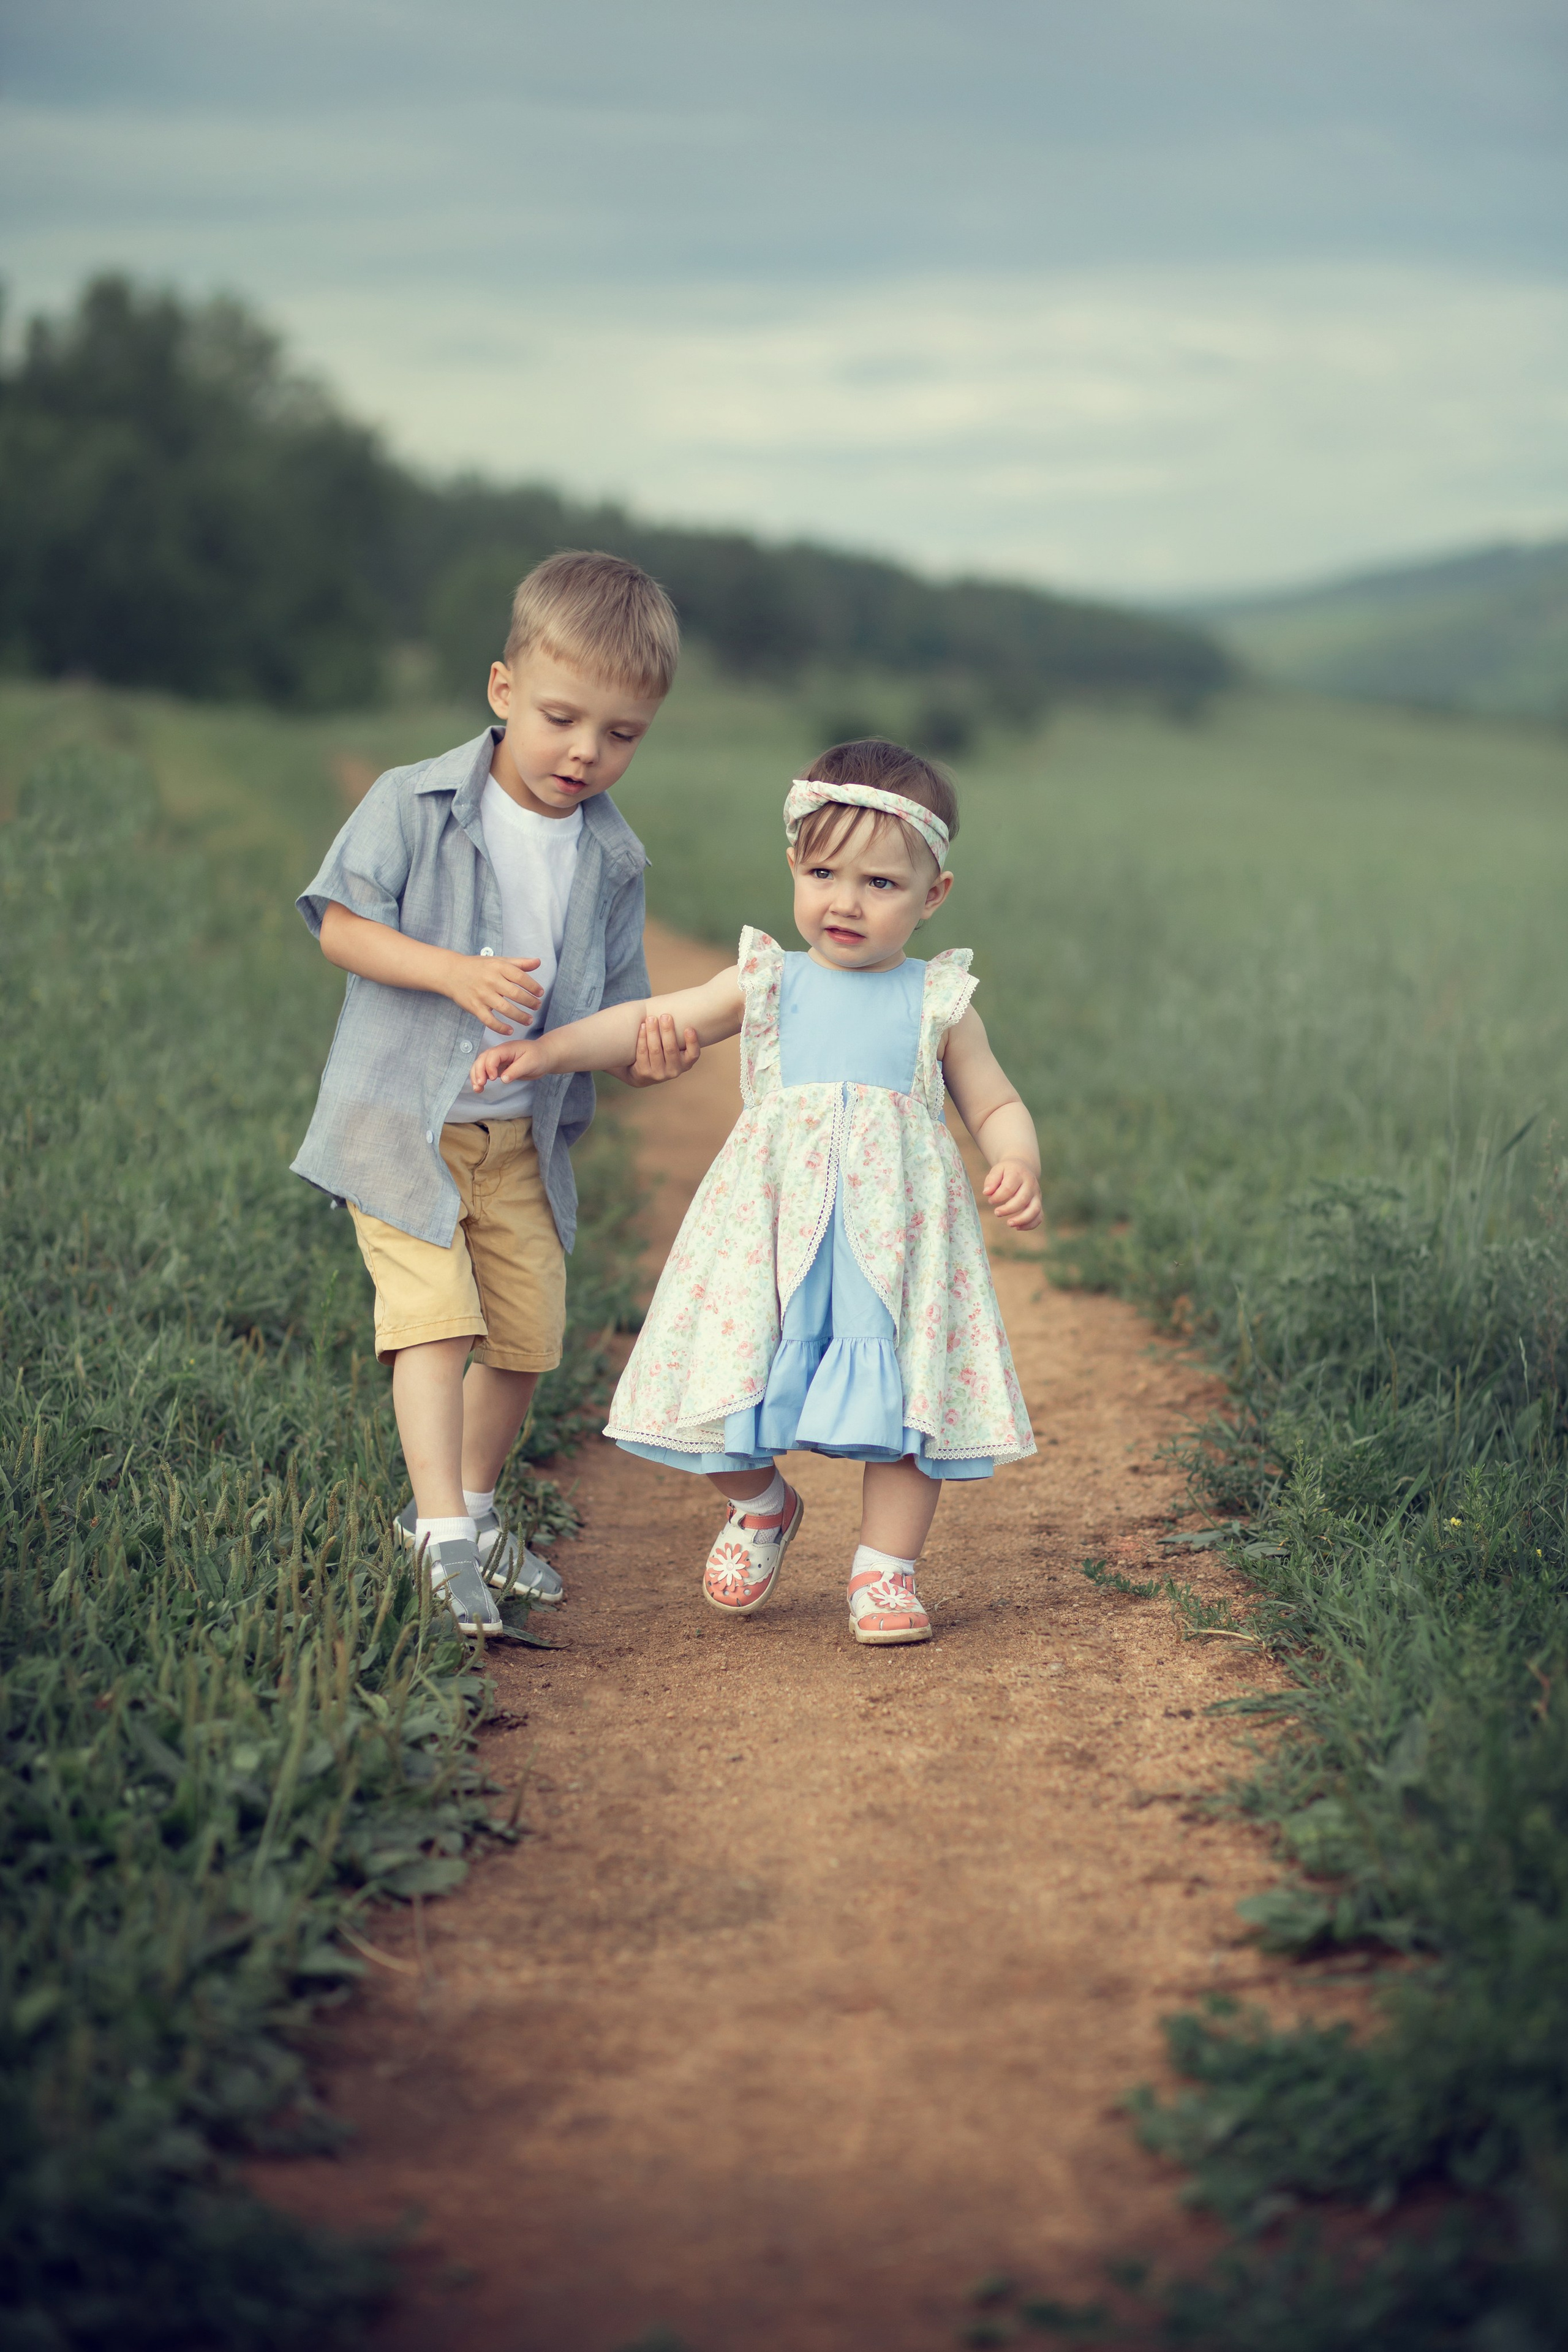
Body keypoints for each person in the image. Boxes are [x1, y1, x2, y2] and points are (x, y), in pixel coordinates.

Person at [466, 737, 1041, 1646]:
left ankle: (886, 1572)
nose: (845, 901)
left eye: (881, 885)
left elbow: (996, 1101)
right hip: (770, 1236)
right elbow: (655, 1021)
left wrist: (1016, 1158)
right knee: (724, 1382)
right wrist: (549, 1050)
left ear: (934, 896)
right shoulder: (771, 981)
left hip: (893, 1249)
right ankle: (763, 1504)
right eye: (823, 872)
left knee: (905, 1405)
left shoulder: (937, 1002)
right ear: (793, 867)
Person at [292, 550, 696, 1637]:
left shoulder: (614, 858)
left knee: (525, 1342)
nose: (587, 753)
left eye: (622, 735)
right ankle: (439, 1537)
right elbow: (336, 923)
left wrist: (645, 1049)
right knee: (434, 1323)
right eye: (564, 718)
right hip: (401, 1128)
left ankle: (470, 1509)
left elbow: (615, 1009)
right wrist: (454, 971)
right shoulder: (411, 802)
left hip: (519, 1141)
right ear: (503, 690)